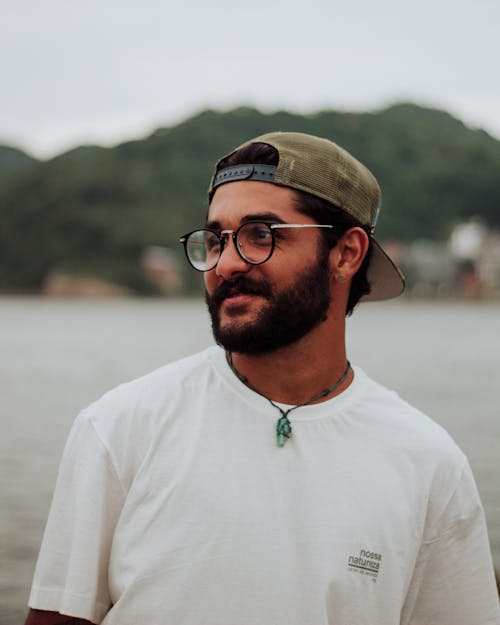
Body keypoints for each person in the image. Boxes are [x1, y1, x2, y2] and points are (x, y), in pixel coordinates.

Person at [25, 132, 500, 625]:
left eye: (261, 234)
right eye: (215, 240)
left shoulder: (428, 464)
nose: (226, 264)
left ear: (346, 253)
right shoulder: (119, 429)